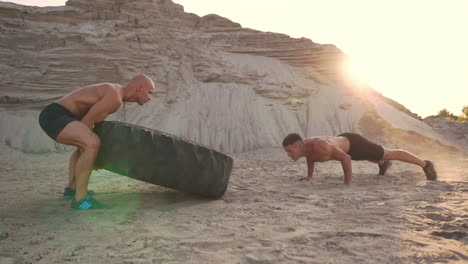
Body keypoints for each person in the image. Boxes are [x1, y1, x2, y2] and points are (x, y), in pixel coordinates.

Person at [39, 74, 155, 210]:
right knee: (91, 143)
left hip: (58, 115)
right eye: (149, 92)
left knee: (86, 144)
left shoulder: (116, 94)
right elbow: (87, 122)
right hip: (56, 116)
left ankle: (72, 189)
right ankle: (81, 199)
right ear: (139, 88)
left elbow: (90, 125)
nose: (150, 97)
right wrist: (95, 155)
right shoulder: (115, 98)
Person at [282, 132, 437, 185]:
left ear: (297, 145)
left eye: (289, 151)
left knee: (388, 152)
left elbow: (346, 159)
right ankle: (383, 164)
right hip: (346, 144)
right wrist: (309, 176)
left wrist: (347, 184)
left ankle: (425, 164)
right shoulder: (306, 149)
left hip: (354, 144)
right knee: (367, 156)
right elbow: (310, 158)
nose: (289, 155)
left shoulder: (320, 145)